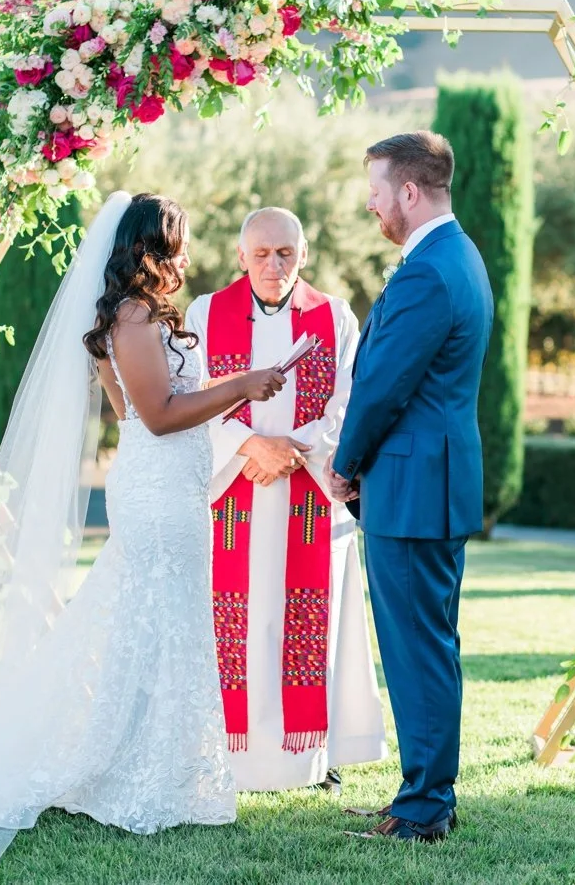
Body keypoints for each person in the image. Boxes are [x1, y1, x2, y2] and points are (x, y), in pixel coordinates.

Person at [0, 192, 286, 884]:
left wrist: (228, 389)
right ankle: (136, 772)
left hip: (170, 488)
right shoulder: (130, 316)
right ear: (149, 249)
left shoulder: (138, 318)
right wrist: (243, 384)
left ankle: (150, 763)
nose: (185, 257)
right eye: (176, 243)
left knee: (158, 626)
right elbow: (154, 415)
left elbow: (144, 407)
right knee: (157, 625)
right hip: (158, 495)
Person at [185, 207, 385, 796]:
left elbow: (349, 401)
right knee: (238, 624)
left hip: (307, 497)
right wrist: (247, 446)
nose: (275, 265)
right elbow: (191, 396)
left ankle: (309, 759)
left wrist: (295, 451)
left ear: (304, 254)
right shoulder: (205, 313)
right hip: (234, 490)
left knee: (306, 622)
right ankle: (231, 758)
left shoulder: (335, 316)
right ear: (241, 257)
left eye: (286, 253)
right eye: (263, 253)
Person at [330, 131, 492, 844]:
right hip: (430, 481)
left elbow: (384, 385)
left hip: (411, 484)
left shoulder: (429, 270)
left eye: (375, 189)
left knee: (417, 648)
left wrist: (343, 462)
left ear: (409, 191)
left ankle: (425, 806)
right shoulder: (455, 256)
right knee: (429, 644)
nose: (369, 204)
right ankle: (424, 796)